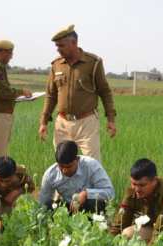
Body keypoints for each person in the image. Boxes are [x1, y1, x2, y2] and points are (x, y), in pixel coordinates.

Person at [38, 24, 116, 163]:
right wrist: (43, 121)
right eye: (57, 46)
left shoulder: (93, 63)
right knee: (62, 163)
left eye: (61, 45)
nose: (58, 49)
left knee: (92, 164)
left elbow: (105, 92)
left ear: (73, 43)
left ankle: (92, 186)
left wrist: (111, 119)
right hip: (62, 123)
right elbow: (51, 95)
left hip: (87, 123)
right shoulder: (56, 65)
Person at [0, 40, 32, 171]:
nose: (11, 56)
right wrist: (22, 93)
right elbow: (3, 92)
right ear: (2, 52)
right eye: (9, 53)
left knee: (0, 151)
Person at [38, 140, 114, 213]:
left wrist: (86, 194)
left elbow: (110, 192)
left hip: (88, 208)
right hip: (67, 209)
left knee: (95, 203)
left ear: (77, 159)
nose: (64, 170)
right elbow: (43, 202)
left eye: (68, 167)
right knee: (47, 205)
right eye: (61, 166)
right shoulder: (50, 174)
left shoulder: (91, 166)